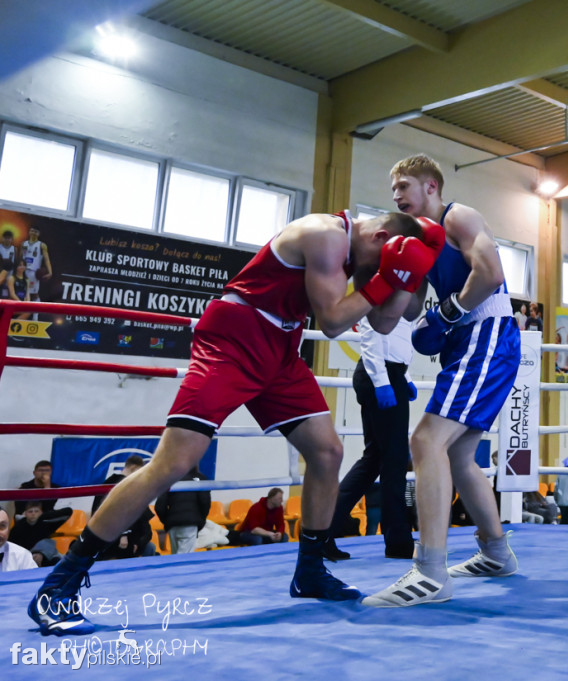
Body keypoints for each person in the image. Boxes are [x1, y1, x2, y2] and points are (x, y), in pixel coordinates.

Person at [28, 209, 443, 635]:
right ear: (381, 235)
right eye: (378, 263)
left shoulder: (363, 251)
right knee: (173, 463)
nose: (371, 272)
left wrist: (406, 276)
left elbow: (387, 318)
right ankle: (59, 584)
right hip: (234, 339)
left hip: (281, 348)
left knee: (327, 452)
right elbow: (336, 322)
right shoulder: (326, 235)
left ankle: (311, 571)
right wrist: (385, 276)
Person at [363, 154, 521, 608]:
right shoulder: (416, 240)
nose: (396, 196)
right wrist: (384, 276)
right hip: (463, 340)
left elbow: (488, 275)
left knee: (426, 441)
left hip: (486, 333)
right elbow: (404, 315)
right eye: (393, 189)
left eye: (404, 186)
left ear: (431, 186)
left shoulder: (460, 217)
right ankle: (495, 553)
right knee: (457, 452)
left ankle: (429, 572)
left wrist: (448, 310)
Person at [326, 317, 417, 562]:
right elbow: (372, 333)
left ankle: (324, 530)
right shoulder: (384, 287)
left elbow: (395, 340)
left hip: (390, 373)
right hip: (381, 373)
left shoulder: (404, 296)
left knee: (375, 459)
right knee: (394, 460)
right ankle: (398, 541)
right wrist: (382, 381)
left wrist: (404, 379)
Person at [92, 456, 155, 560]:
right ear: (133, 467)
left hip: (113, 535)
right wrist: (123, 535)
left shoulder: (109, 483)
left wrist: (138, 542)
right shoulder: (120, 484)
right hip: (114, 537)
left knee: (149, 547)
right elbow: (115, 512)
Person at [154, 467, 211, 554]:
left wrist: (168, 521)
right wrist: (200, 520)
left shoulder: (168, 479)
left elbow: (159, 506)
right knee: (183, 560)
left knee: (176, 558)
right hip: (190, 524)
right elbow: (205, 502)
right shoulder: (200, 479)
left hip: (173, 525)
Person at [9, 502, 65, 566]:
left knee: (58, 560)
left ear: (41, 512)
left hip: (45, 553)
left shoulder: (45, 522)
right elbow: (11, 543)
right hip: (27, 555)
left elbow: (68, 511)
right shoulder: (19, 526)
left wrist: (42, 516)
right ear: (25, 513)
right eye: (30, 511)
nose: (33, 514)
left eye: (36, 511)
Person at [20, 226, 53, 299]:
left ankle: (36, 310)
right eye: (32, 231)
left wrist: (50, 272)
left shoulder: (42, 245)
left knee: (34, 294)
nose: (33, 233)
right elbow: (20, 258)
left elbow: (46, 259)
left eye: (35, 231)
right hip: (23, 271)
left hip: (34, 272)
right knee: (22, 292)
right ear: (29, 232)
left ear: (39, 234)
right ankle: (22, 309)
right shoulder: (23, 244)